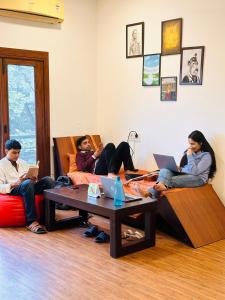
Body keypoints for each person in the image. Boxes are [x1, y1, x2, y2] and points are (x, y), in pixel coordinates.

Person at [0, 139, 55, 234]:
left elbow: (30, 180)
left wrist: (34, 179)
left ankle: (48, 217)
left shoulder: (23, 162)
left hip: (27, 186)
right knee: (27, 183)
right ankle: (31, 222)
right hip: (13, 189)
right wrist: (15, 183)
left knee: (48, 180)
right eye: (14, 153)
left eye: (18, 153)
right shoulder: (1, 165)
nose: (17, 155)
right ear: (6, 151)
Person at [144, 130, 216, 199]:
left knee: (171, 179)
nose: (190, 146)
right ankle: (160, 186)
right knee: (164, 169)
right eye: (190, 144)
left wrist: (190, 156)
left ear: (200, 143)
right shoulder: (192, 152)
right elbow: (188, 168)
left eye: (193, 144)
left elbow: (195, 172)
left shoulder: (206, 156)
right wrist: (180, 169)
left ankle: (153, 191)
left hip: (199, 178)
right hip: (186, 174)